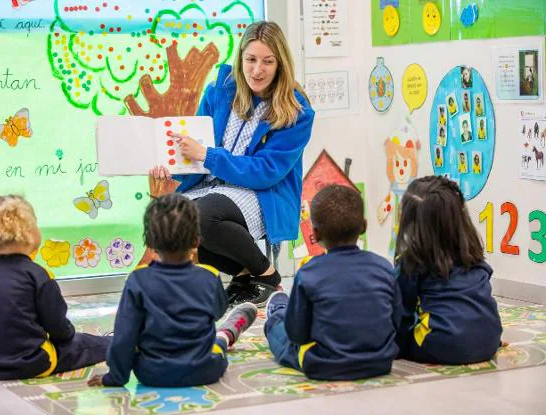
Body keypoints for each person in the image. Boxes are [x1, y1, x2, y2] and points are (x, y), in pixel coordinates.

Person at [149, 21, 315, 306]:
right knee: (165, 217)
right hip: (212, 185)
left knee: (200, 216)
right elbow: (195, 149)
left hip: (262, 193)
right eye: (250, 60)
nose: (257, 70)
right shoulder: (220, 90)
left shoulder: (296, 112)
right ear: (240, 59)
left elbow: (266, 172)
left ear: (280, 64)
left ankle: (268, 276)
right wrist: (171, 171)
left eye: (267, 62)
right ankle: (244, 274)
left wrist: (209, 156)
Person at [87, 194, 257, 388]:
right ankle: (227, 334)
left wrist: (115, 377)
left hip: (152, 373)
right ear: (196, 241)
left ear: (150, 242)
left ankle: (226, 334)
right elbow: (217, 311)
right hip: (205, 369)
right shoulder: (209, 276)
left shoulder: (137, 280)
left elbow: (124, 336)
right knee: (216, 345)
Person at [0, 195, 111, 380]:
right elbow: (58, 328)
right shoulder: (36, 275)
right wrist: (68, 335)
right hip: (29, 361)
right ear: (27, 233)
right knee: (86, 344)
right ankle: (124, 342)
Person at [263, 185, 401, 380]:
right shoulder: (384, 268)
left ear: (316, 235)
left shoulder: (308, 273)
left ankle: (278, 310)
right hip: (379, 361)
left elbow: (297, 335)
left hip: (325, 363)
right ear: (364, 226)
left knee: (278, 328)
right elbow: (395, 321)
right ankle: (282, 306)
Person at [394, 176, 502, 364]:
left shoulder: (412, 263)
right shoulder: (474, 258)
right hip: (489, 341)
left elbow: (400, 314)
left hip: (441, 344)